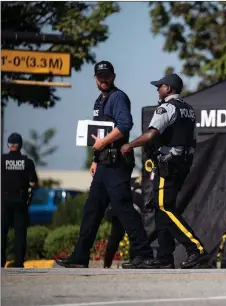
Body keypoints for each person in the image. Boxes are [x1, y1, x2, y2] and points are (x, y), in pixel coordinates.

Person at [56, 61, 154, 269]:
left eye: (107, 76)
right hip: (103, 164)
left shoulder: (118, 97)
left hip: (117, 164)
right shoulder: (98, 102)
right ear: (95, 79)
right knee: (92, 210)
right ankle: (80, 257)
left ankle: (145, 255)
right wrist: (94, 158)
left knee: (124, 208)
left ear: (113, 76)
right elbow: (98, 135)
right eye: (100, 76)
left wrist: (104, 142)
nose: (103, 79)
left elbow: (125, 125)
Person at [121, 73, 208, 269]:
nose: (157, 89)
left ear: (168, 89)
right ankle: (164, 257)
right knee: (161, 207)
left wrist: (128, 146)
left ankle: (195, 249)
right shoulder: (189, 109)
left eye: (160, 86)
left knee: (164, 207)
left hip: (168, 164)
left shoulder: (167, 108)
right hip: (182, 163)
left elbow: (151, 135)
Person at [1, 133, 38, 268]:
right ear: (20, 145)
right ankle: (18, 261)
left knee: (2, 231)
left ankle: (1, 260)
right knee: (20, 233)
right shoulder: (27, 162)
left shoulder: (2, 160)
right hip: (20, 201)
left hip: (3, 201)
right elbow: (33, 183)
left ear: (8, 145)